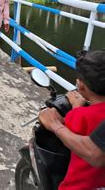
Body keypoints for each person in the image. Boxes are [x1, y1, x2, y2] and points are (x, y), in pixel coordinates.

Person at [41, 49, 105, 188]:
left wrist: (76, 106)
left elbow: (71, 126)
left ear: (80, 85)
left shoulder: (81, 114)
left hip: (81, 184)